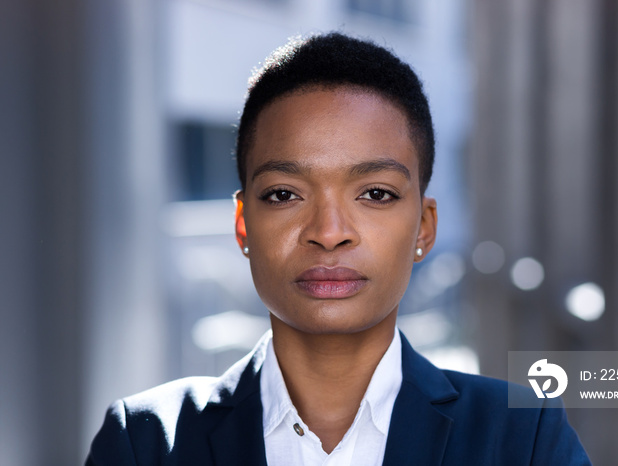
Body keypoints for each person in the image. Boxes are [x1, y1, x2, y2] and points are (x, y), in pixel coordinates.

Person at [86, 32, 591, 465]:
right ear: (243, 225)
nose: (329, 232)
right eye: (284, 194)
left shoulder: (522, 438)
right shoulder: (145, 441)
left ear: (424, 227)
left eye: (375, 194)